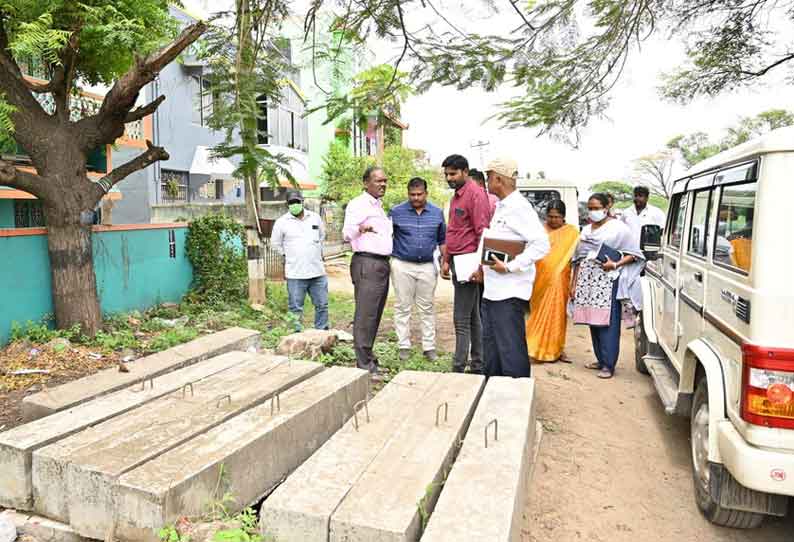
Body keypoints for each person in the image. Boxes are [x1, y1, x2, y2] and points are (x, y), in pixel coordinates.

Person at [477, 156, 550, 378]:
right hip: (493, 290)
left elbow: (542, 244)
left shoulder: (519, 207)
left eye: (489, 177)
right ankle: (494, 392)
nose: (487, 181)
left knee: (510, 350)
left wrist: (511, 266)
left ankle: (517, 397)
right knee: (493, 349)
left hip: (509, 292)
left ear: (498, 179)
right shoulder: (502, 206)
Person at [571, 193, 644, 379]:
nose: (593, 211)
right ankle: (600, 359)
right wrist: (574, 283)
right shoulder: (586, 230)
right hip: (587, 281)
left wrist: (616, 264)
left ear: (606, 208)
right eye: (590, 207)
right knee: (593, 321)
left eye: (596, 207)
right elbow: (578, 259)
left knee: (607, 322)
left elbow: (634, 254)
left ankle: (609, 364)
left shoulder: (619, 229)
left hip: (608, 280)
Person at [440, 154, 490, 374]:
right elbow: (453, 230)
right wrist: (446, 259)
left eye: (453, 173)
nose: (449, 178)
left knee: (461, 319)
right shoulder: (455, 197)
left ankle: (459, 367)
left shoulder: (476, 195)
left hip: (469, 263)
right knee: (472, 317)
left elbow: (482, 232)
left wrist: (480, 267)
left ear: (465, 172)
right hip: (457, 261)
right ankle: (478, 363)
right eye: (446, 174)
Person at [389, 177, 446, 361]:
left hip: (428, 266)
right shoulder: (396, 212)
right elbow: (386, 237)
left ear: (426, 193)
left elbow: (442, 240)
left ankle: (429, 347)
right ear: (408, 194)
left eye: (419, 194)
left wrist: (446, 261)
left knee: (427, 307)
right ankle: (403, 346)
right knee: (402, 306)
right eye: (412, 194)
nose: (416, 198)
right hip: (402, 265)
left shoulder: (437, 213)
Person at [343, 166, 393, 374]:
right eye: (378, 181)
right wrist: (361, 228)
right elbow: (347, 233)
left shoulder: (378, 206)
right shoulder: (359, 204)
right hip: (367, 264)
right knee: (366, 314)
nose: (382, 184)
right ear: (366, 183)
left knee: (375, 312)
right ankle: (363, 364)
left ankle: (369, 356)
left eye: (385, 181)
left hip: (381, 264)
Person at [525, 200, 580, 363]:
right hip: (539, 279)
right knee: (537, 314)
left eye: (557, 217)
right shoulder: (539, 231)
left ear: (563, 217)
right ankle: (534, 348)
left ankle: (557, 350)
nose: (553, 220)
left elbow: (576, 259)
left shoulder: (571, 232)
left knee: (558, 316)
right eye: (550, 216)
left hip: (561, 280)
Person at [270, 190, 328, 331]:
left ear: (302, 201)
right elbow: (275, 244)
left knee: (322, 305)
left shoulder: (315, 218)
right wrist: (287, 255)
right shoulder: (282, 222)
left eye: (297, 201)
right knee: (295, 308)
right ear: (287, 204)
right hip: (295, 273)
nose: (294, 204)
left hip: (317, 271)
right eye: (291, 202)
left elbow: (321, 236)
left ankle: (322, 334)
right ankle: (296, 336)